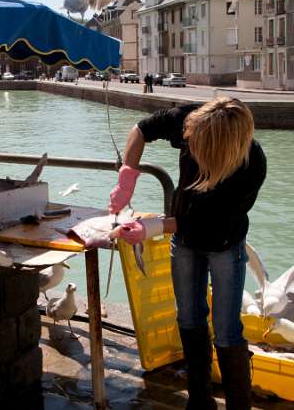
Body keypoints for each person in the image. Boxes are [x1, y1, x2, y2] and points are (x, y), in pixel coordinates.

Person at [109, 97, 266, 410]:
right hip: (184, 243)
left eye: (198, 147)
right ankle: (199, 402)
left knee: (226, 331)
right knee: (189, 319)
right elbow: (141, 130)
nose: (190, 148)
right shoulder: (190, 121)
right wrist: (127, 176)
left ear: (221, 149)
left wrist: (153, 228)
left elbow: (210, 220)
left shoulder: (251, 166)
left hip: (224, 244)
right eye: (189, 141)